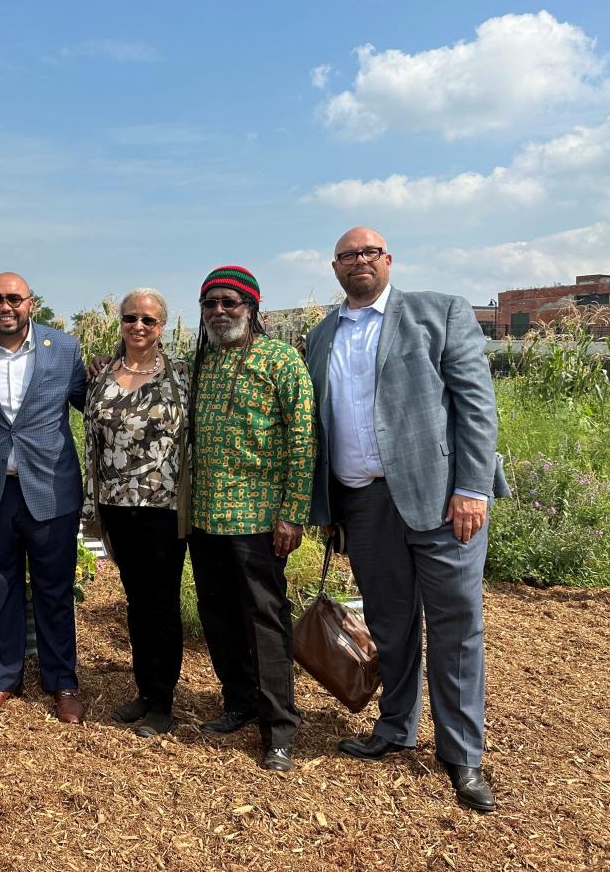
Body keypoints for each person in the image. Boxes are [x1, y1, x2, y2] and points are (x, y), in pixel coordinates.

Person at [306, 227, 509, 812]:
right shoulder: (320, 337)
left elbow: (475, 402)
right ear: (335, 268)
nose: (358, 263)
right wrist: (328, 510)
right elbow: (320, 428)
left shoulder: (438, 313)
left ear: (388, 260)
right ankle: (395, 727)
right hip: (364, 505)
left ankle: (462, 755)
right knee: (391, 626)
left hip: (444, 500)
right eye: (347, 256)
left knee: (455, 628)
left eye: (369, 253)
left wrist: (473, 487)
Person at [188, 265, 316, 772]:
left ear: (252, 308)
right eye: (210, 304)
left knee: (265, 620)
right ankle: (238, 701)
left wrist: (293, 514)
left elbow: (303, 440)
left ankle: (280, 726)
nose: (220, 312)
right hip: (205, 516)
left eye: (230, 303)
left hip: (259, 518)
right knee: (218, 615)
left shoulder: (281, 361)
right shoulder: (202, 363)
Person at [0, 272, 88, 723]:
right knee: (1, 585)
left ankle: (62, 680)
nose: (5, 306)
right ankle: (5, 676)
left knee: (54, 588)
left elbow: (94, 404)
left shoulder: (64, 350)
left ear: (32, 303)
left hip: (50, 488)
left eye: (14, 298)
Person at [82, 288, 190, 737]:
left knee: (161, 602)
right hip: (115, 506)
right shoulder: (102, 374)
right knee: (136, 601)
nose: (139, 327)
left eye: (148, 320)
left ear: (162, 325)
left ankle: (163, 703)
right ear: (121, 323)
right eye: (130, 319)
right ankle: (144, 691)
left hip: (163, 509)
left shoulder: (182, 374)